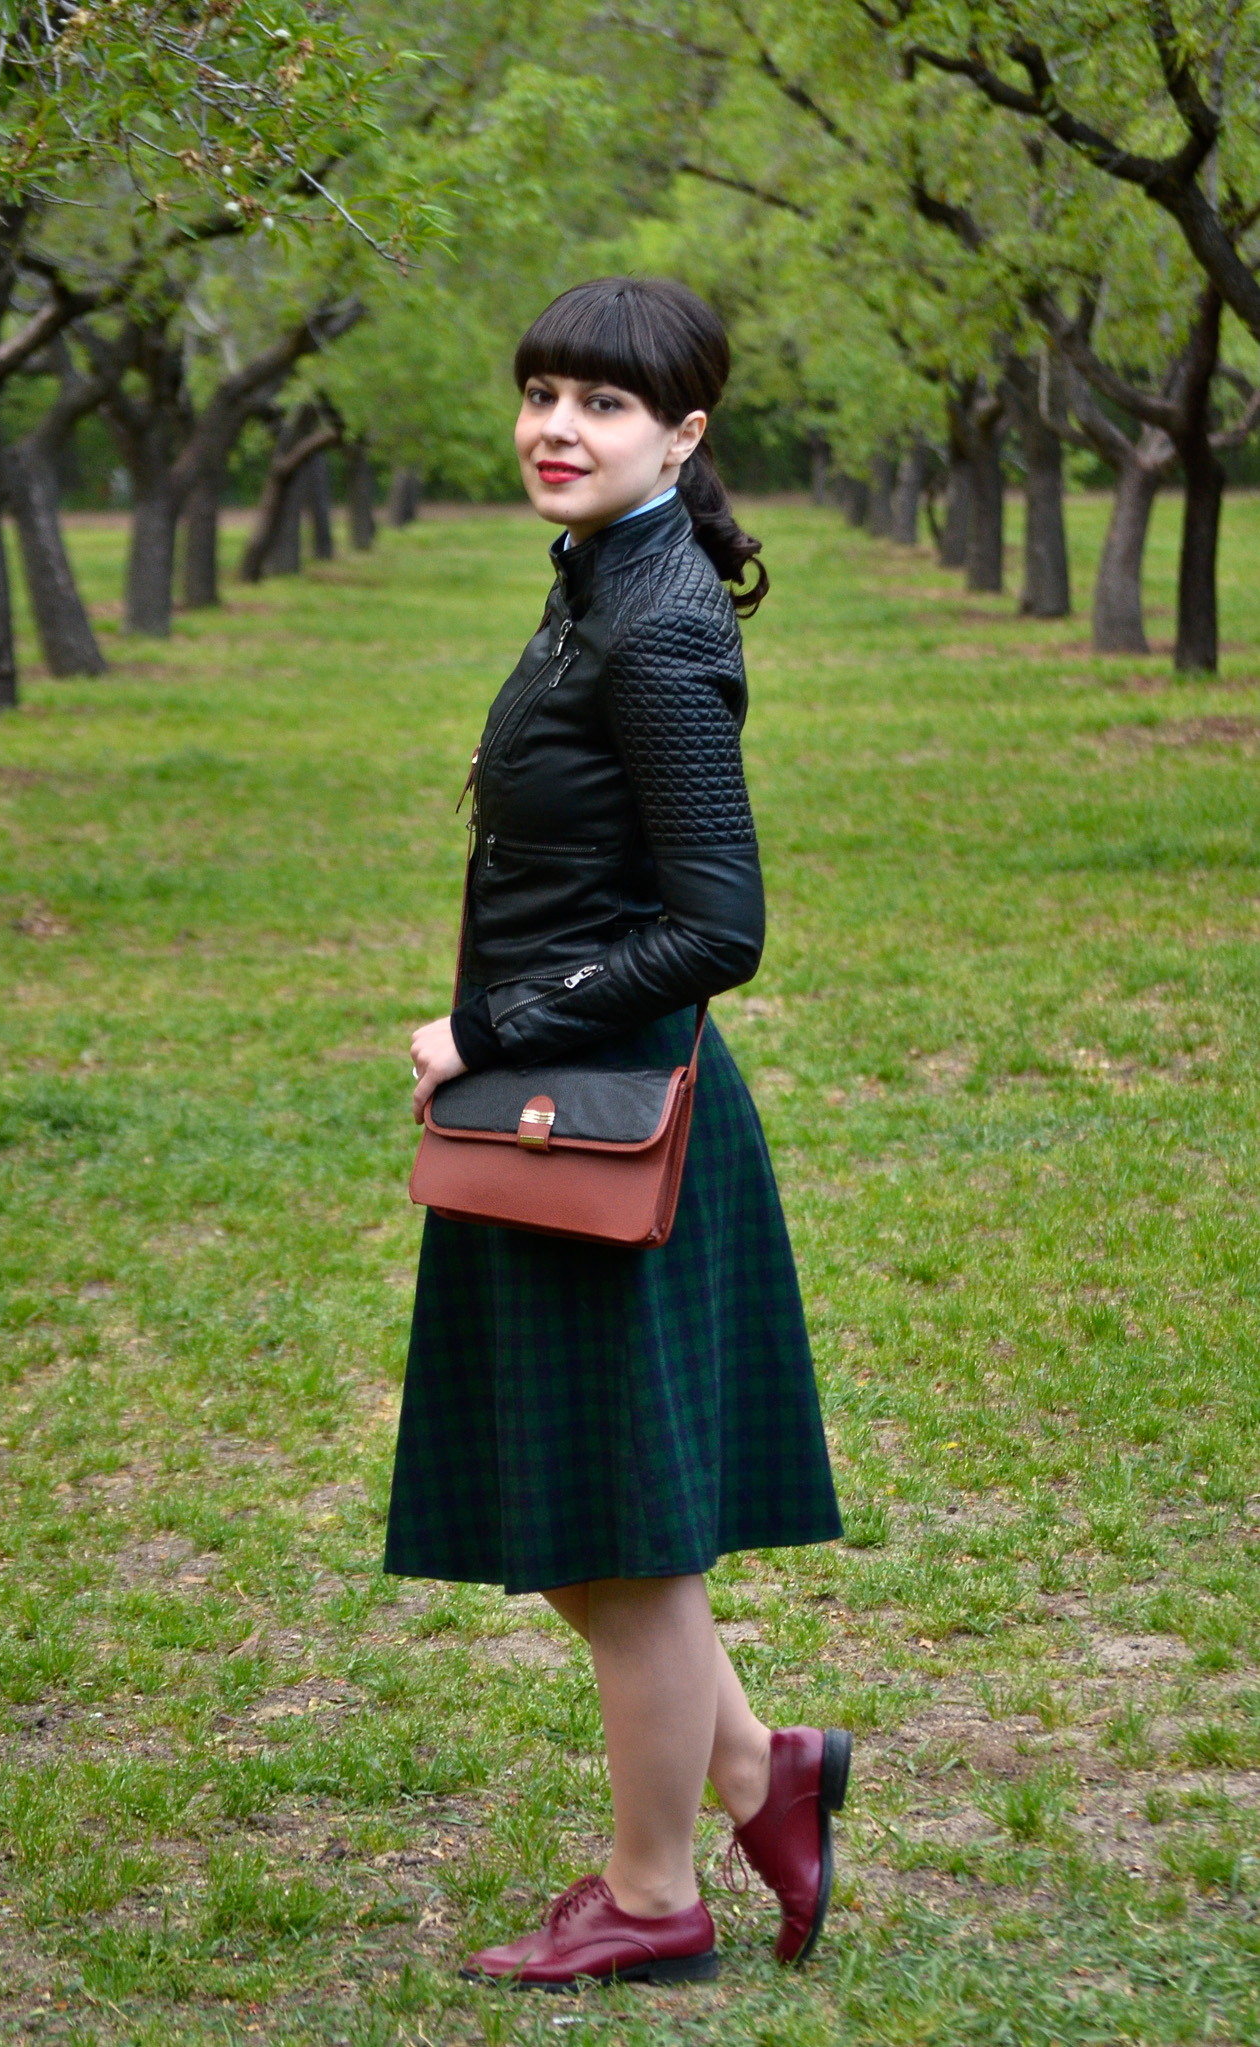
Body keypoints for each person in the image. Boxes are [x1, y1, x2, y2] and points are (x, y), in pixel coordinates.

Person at [386, 277, 847, 1990]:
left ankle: (655, 1895)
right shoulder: (605, 579)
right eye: (540, 392)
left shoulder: (655, 623)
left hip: (602, 1120)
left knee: (621, 1545)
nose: (555, 428)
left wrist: (490, 1027)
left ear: (685, 434)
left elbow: (719, 926)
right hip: (554, 1113)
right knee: (595, 1529)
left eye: (601, 403)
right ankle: (759, 1773)